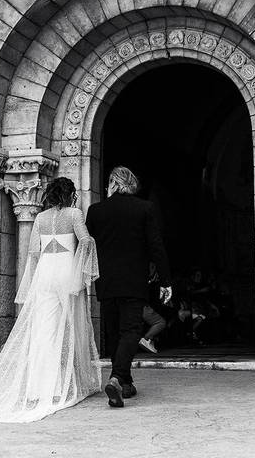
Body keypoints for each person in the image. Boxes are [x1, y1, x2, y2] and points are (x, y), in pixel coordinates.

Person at [0, 177, 100, 423]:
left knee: (44, 330)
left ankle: (41, 387)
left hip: (45, 274)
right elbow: (86, 240)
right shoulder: (74, 214)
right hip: (66, 273)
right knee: (72, 326)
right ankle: (66, 383)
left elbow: (34, 253)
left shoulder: (40, 218)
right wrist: (84, 268)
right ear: (70, 194)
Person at [86, 166, 172, 407]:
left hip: (105, 280)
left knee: (114, 332)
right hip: (133, 279)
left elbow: (88, 248)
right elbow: (156, 245)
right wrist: (165, 280)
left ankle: (125, 383)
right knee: (131, 330)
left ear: (114, 182)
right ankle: (116, 378)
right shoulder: (145, 208)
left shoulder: (95, 211)